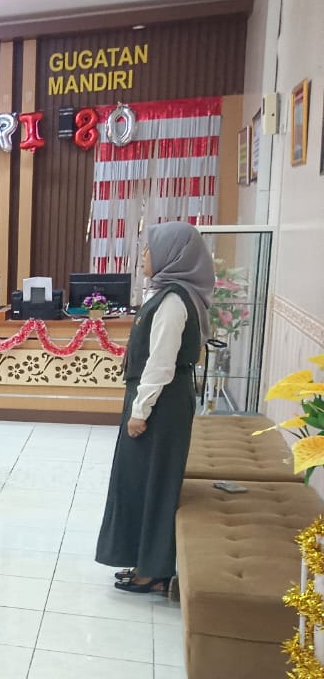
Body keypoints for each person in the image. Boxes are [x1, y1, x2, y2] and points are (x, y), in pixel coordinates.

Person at [96, 221, 215, 593]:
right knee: (140, 480)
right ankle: (146, 562)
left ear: (172, 255)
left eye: (149, 249)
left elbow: (161, 363)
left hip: (161, 404)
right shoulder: (169, 294)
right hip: (160, 399)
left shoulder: (174, 301)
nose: (144, 255)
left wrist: (140, 411)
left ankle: (153, 571)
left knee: (152, 483)